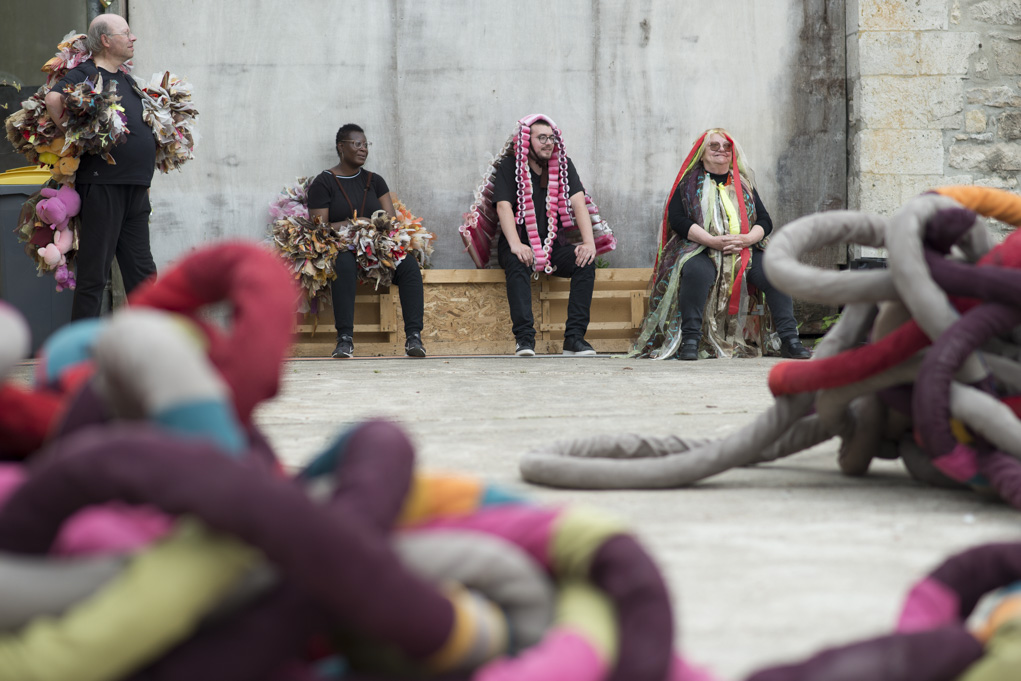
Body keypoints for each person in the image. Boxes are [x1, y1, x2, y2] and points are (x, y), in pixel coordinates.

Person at [632, 128, 812, 361]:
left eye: (727, 146)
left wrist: (747, 239)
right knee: (696, 272)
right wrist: (711, 241)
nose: (721, 150)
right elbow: (677, 219)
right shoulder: (687, 183)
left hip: (743, 250)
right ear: (702, 153)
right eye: (714, 146)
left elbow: (765, 221)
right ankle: (690, 340)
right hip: (700, 248)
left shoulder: (743, 184)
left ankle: (789, 340)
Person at [45, 14, 157, 320]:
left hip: (134, 188)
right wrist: (76, 133)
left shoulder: (126, 79)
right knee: (95, 274)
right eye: (126, 33)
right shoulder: (85, 73)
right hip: (103, 185)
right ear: (105, 40)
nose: (133, 38)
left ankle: (150, 347)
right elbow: (54, 99)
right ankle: (81, 354)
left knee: (143, 274)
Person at [306, 123, 426, 358]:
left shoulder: (375, 180)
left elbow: (390, 220)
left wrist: (373, 228)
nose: (363, 149)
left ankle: (414, 338)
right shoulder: (324, 182)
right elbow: (319, 227)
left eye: (365, 144)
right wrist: (356, 222)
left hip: (377, 248)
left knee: (409, 266)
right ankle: (345, 339)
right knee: (344, 264)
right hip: (341, 247)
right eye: (357, 144)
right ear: (341, 147)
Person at [491, 114, 597, 356]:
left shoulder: (563, 165)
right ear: (527, 142)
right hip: (518, 241)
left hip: (553, 245)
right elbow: (503, 206)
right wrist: (517, 245)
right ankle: (525, 339)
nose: (548, 143)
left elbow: (578, 203)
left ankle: (574, 339)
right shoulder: (509, 166)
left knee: (586, 261)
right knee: (518, 263)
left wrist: (589, 243)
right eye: (542, 138)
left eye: (551, 138)